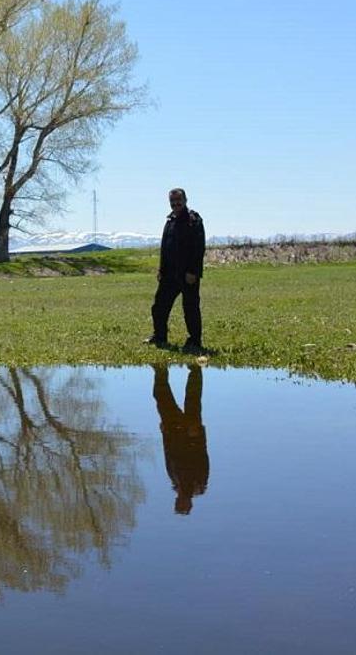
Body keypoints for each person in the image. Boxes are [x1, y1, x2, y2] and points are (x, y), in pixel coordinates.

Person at [145, 187, 205, 353]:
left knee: (190, 308)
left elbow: (199, 248)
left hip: (188, 275)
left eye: (178, 201)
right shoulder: (169, 221)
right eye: (172, 201)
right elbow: (165, 247)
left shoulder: (194, 220)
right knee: (159, 307)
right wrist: (161, 269)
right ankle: (160, 336)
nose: (175, 204)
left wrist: (194, 271)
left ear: (185, 200)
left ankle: (194, 341)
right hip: (169, 274)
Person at [151, 363, 209, 515]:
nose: (180, 501)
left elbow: (168, 454)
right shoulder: (199, 484)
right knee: (193, 397)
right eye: (183, 504)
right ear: (190, 504)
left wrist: (164, 432)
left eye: (178, 503)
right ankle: (196, 369)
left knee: (160, 396)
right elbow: (202, 456)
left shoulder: (174, 481)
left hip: (173, 432)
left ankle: (160, 369)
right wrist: (198, 434)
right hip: (192, 433)